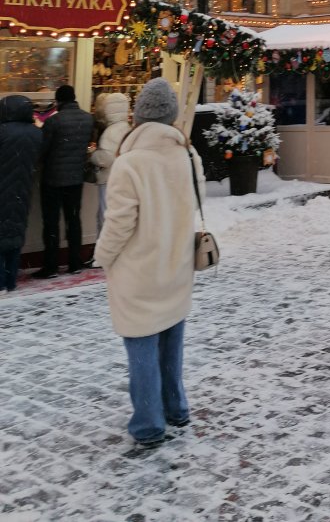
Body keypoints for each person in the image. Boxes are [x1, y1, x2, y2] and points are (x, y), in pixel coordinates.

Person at [94, 78, 204, 448]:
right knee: (172, 342)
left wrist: (103, 257)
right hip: (176, 266)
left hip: (139, 272)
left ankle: (148, 423)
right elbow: (195, 201)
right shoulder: (187, 155)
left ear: (138, 117)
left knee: (141, 346)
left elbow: (119, 222)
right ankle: (176, 408)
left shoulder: (130, 163)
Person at [35, 84, 96, 278]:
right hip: (75, 179)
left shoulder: (54, 122)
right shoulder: (88, 119)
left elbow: (42, 150)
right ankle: (74, 262)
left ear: (58, 101)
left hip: (53, 180)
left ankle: (51, 266)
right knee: (73, 220)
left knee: (51, 223)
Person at [0, 95, 43, 293]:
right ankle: (11, 280)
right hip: (23, 188)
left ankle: (0, 282)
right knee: (16, 232)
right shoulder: (36, 133)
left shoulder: (2, 131)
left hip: (2, 188)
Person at [90, 92, 132, 236]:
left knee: (105, 217)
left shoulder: (110, 132)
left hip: (108, 179)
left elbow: (106, 158)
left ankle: (102, 253)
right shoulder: (128, 128)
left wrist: (92, 155)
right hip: (124, 178)